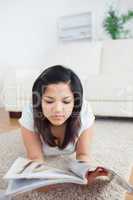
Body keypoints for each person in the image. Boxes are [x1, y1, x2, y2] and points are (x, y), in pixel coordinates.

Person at [19, 65, 108, 187]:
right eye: (49, 101)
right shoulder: (30, 113)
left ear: (75, 102)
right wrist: (38, 176)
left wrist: (86, 172)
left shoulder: (84, 112)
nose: (58, 110)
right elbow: (34, 156)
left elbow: (83, 154)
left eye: (66, 102)